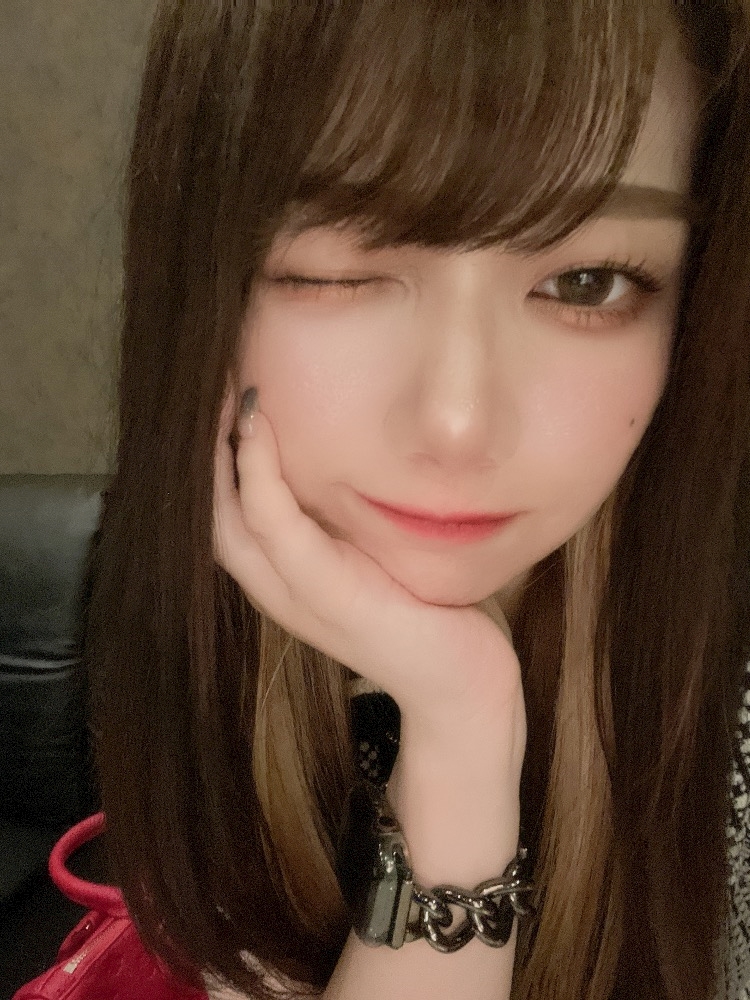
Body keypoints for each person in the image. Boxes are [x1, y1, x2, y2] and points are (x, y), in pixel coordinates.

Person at [84, 1, 750, 997]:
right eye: (339, 268)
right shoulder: (202, 622)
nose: (458, 422)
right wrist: (459, 735)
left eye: (588, 281)